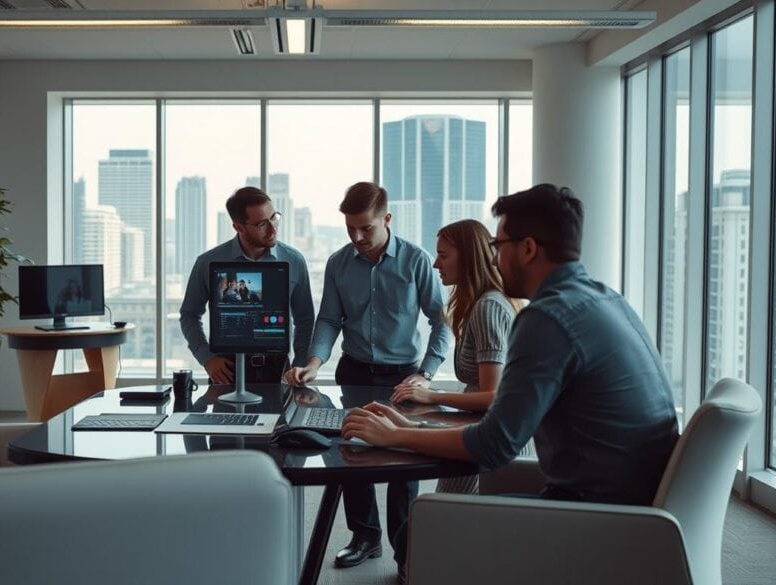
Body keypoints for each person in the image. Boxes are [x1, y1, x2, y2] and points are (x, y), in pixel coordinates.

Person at [341, 184, 680, 582]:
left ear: (528, 249)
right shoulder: (607, 299)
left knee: (420, 527)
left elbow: (494, 445)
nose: (494, 257)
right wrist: (410, 426)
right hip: (634, 509)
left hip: (597, 519)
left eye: (499, 245)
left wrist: (396, 435)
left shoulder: (547, 319)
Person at [284, 181, 448, 571]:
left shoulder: (417, 260)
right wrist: (313, 363)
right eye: (350, 228)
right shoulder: (339, 263)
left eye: (366, 228)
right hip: (354, 371)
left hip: (403, 376)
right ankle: (364, 537)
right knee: (350, 454)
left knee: (402, 463)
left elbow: (441, 320)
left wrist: (426, 372)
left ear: (387, 219)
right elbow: (328, 320)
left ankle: (406, 550)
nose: (357, 237)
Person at [391, 219, 520, 495]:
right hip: (478, 433)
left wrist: (432, 396)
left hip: (487, 443)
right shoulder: (481, 304)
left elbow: (493, 395)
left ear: (469, 258)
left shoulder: (488, 308)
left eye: (443, 255)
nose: (436, 264)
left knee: (436, 524)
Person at [180, 186, 315, 384]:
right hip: (227, 370)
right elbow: (190, 315)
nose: (273, 228)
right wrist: (207, 358)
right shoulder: (207, 263)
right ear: (238, 227)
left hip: (279, 369)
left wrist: (300, 363)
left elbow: (305, 319)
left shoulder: (294, 260)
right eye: (261, 224)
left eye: (274, 217)